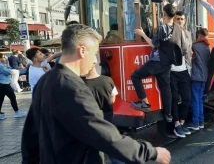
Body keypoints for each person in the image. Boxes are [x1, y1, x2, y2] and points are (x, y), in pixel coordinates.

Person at [21, 24, 171, 164]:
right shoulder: (74, 88)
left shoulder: (46, 80)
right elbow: (104, 134)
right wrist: (151, 152)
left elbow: (30, 135)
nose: (95, 60)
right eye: (94, 54)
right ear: (82, 51)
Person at [130, 3, 182, 123]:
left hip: (157, 62)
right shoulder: (177, 28)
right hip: (168, 63)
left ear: (163, 14)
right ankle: (168, 115)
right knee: (166, 89)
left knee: (135, 76)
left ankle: (145, 103)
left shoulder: (161, 28)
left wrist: (142, 34)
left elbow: (154, 44)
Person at [83, 62, 123, 164]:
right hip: (108, 120)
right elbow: (112, 100)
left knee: (95, 152)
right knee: (113, 149)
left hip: (92, 122)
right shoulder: (108, 80)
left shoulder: (81, 84)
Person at [170, 11, 193, 138]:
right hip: (172, 70)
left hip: (184, 70)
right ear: (174, 20)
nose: (180, 21)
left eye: (182, 19)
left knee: (187, 98)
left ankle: (182, 123)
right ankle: (176, 124)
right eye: (177, 19)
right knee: (174, 98)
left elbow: (188, 51)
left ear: (185, 20)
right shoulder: (170, 31)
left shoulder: (187, 33)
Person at [187, 28, 210, 131]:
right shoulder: (207, 47)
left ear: (199, 36)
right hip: (204, 77)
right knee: (200, 99)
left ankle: (195, 122)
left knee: (195, 99)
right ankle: (201, 121)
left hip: (196, 76)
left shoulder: (195, 46)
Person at [0, 53, 27, 120]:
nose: (5, 58)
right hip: (4, 84)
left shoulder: (2, 65)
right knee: (12, 97)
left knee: (1, 99)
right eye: (3, 57)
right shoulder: (1, 65)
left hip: (3, 83)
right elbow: (8, 72)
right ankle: (17, 112)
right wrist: (8, 67)